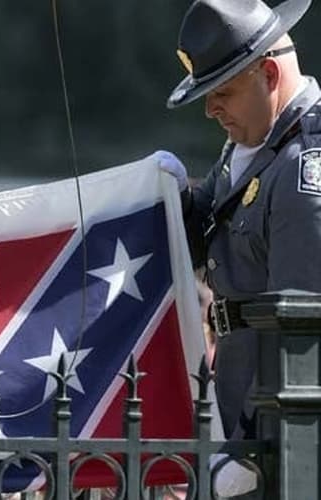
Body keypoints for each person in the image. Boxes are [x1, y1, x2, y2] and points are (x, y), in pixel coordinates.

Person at [159, 0, 321, 446]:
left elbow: (300, 333)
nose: (211, 110)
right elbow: (205, 234)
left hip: (282, 435)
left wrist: (253, 445)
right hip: (239, 406)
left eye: (222, 93)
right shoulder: (250, 145)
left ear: (268, 76)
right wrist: (169, 197)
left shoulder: (305, 168)